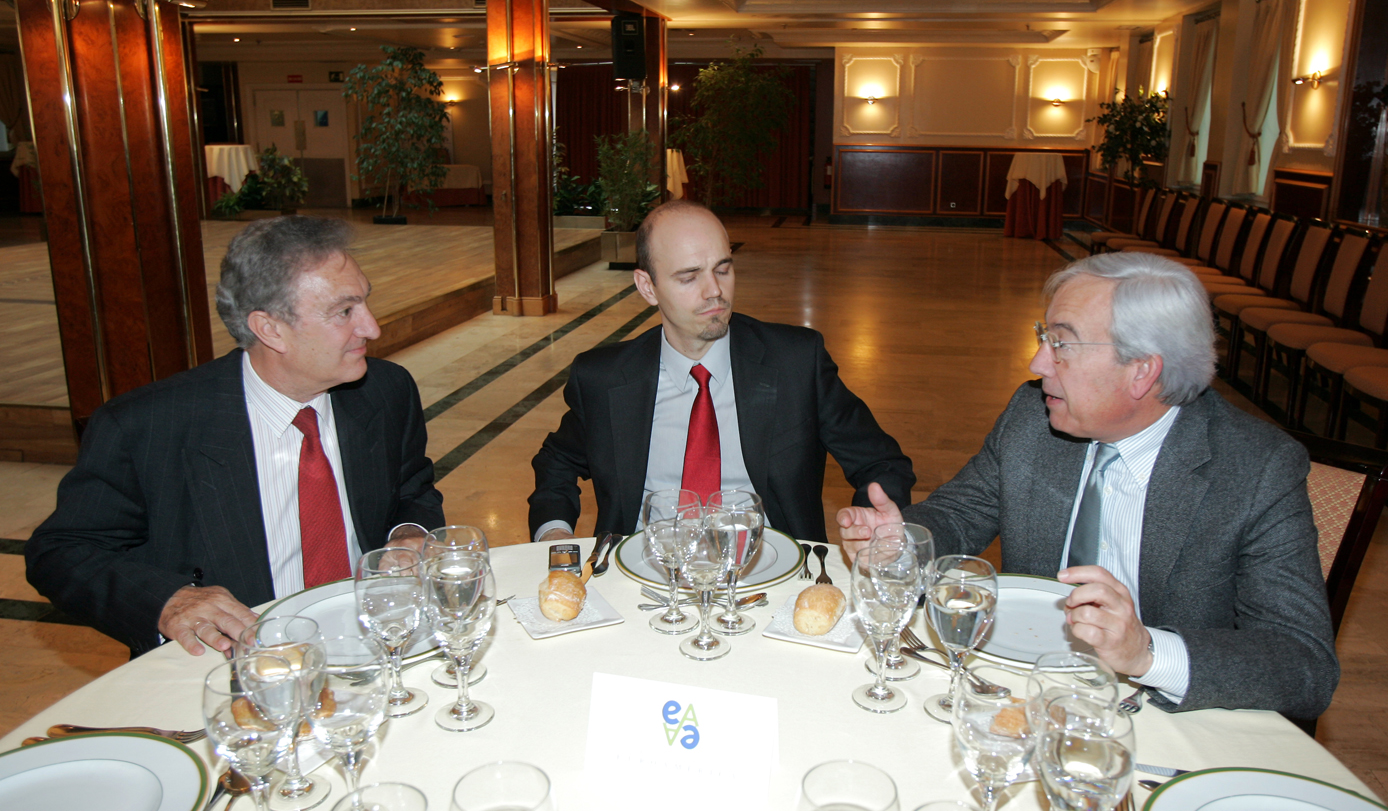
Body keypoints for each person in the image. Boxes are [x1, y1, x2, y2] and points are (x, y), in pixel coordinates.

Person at [838, 252, 1338, 718]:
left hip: (1168, 716)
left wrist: (1145, 652)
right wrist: (903, 542)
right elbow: (961, 512)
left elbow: (1303, 663)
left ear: (1142, 371)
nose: (1038, 364)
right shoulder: (1033, 418)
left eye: (1061, 344)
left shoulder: (1255, 469)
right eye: (1044, 337)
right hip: (1019, 689)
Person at [26, 217, 443, 657]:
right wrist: (168, 600)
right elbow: (61, 552)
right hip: (234, 665)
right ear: (269, 329)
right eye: (345, 312)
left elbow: (412, 490)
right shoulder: (147, 427)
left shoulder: (385, 392)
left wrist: (409, 533)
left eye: (365, 302)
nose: (372, 328)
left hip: (379, 645)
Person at [529, 200, 914, 543]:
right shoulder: (603, 378)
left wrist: (874, 523)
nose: (714, 290)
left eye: (723, 269)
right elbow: (557, 461)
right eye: (689, 276)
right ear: (647, 287)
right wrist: (555, 531)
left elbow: (881, 462)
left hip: (768, 574)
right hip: (644, 573)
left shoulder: (796, 363)